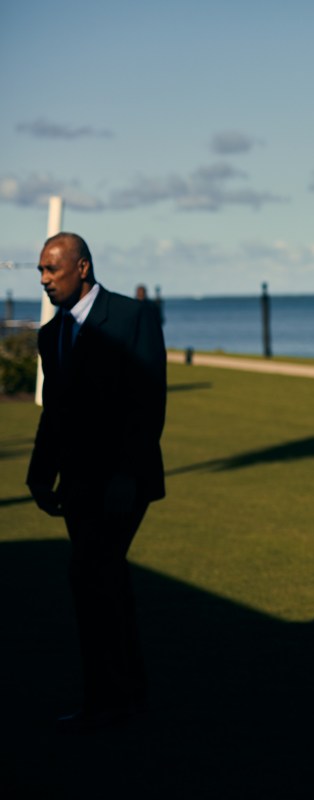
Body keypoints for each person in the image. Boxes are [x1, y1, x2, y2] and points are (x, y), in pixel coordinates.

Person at [27, 232, 167, 733]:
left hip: (123, 482)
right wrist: (39, 474)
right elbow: (56, 414)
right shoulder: (50, 335)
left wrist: (127, 475)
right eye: (40, 271)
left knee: (90, 577)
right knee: (106, 584)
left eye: (52, 270)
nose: (43, 280)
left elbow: (149, 403)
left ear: (82, 268)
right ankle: (126, 698)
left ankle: (106, 703)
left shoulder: (132, 319)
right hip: (78, 485)